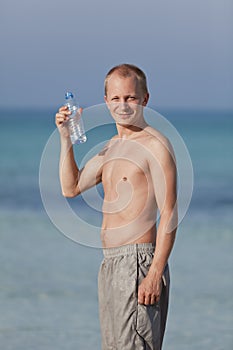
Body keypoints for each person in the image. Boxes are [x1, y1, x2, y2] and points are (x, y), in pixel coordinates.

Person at [55, 64, 177, 350]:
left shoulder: (155, 145)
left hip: (139, 263)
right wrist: (65, 138)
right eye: (116, 98)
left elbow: (170, 213)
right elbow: (70, 187)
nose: (123, 105)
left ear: (145, 99)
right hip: (110, 263)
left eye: (131, 98)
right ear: (107, 101)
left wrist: (154, 273)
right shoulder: (111, 147)